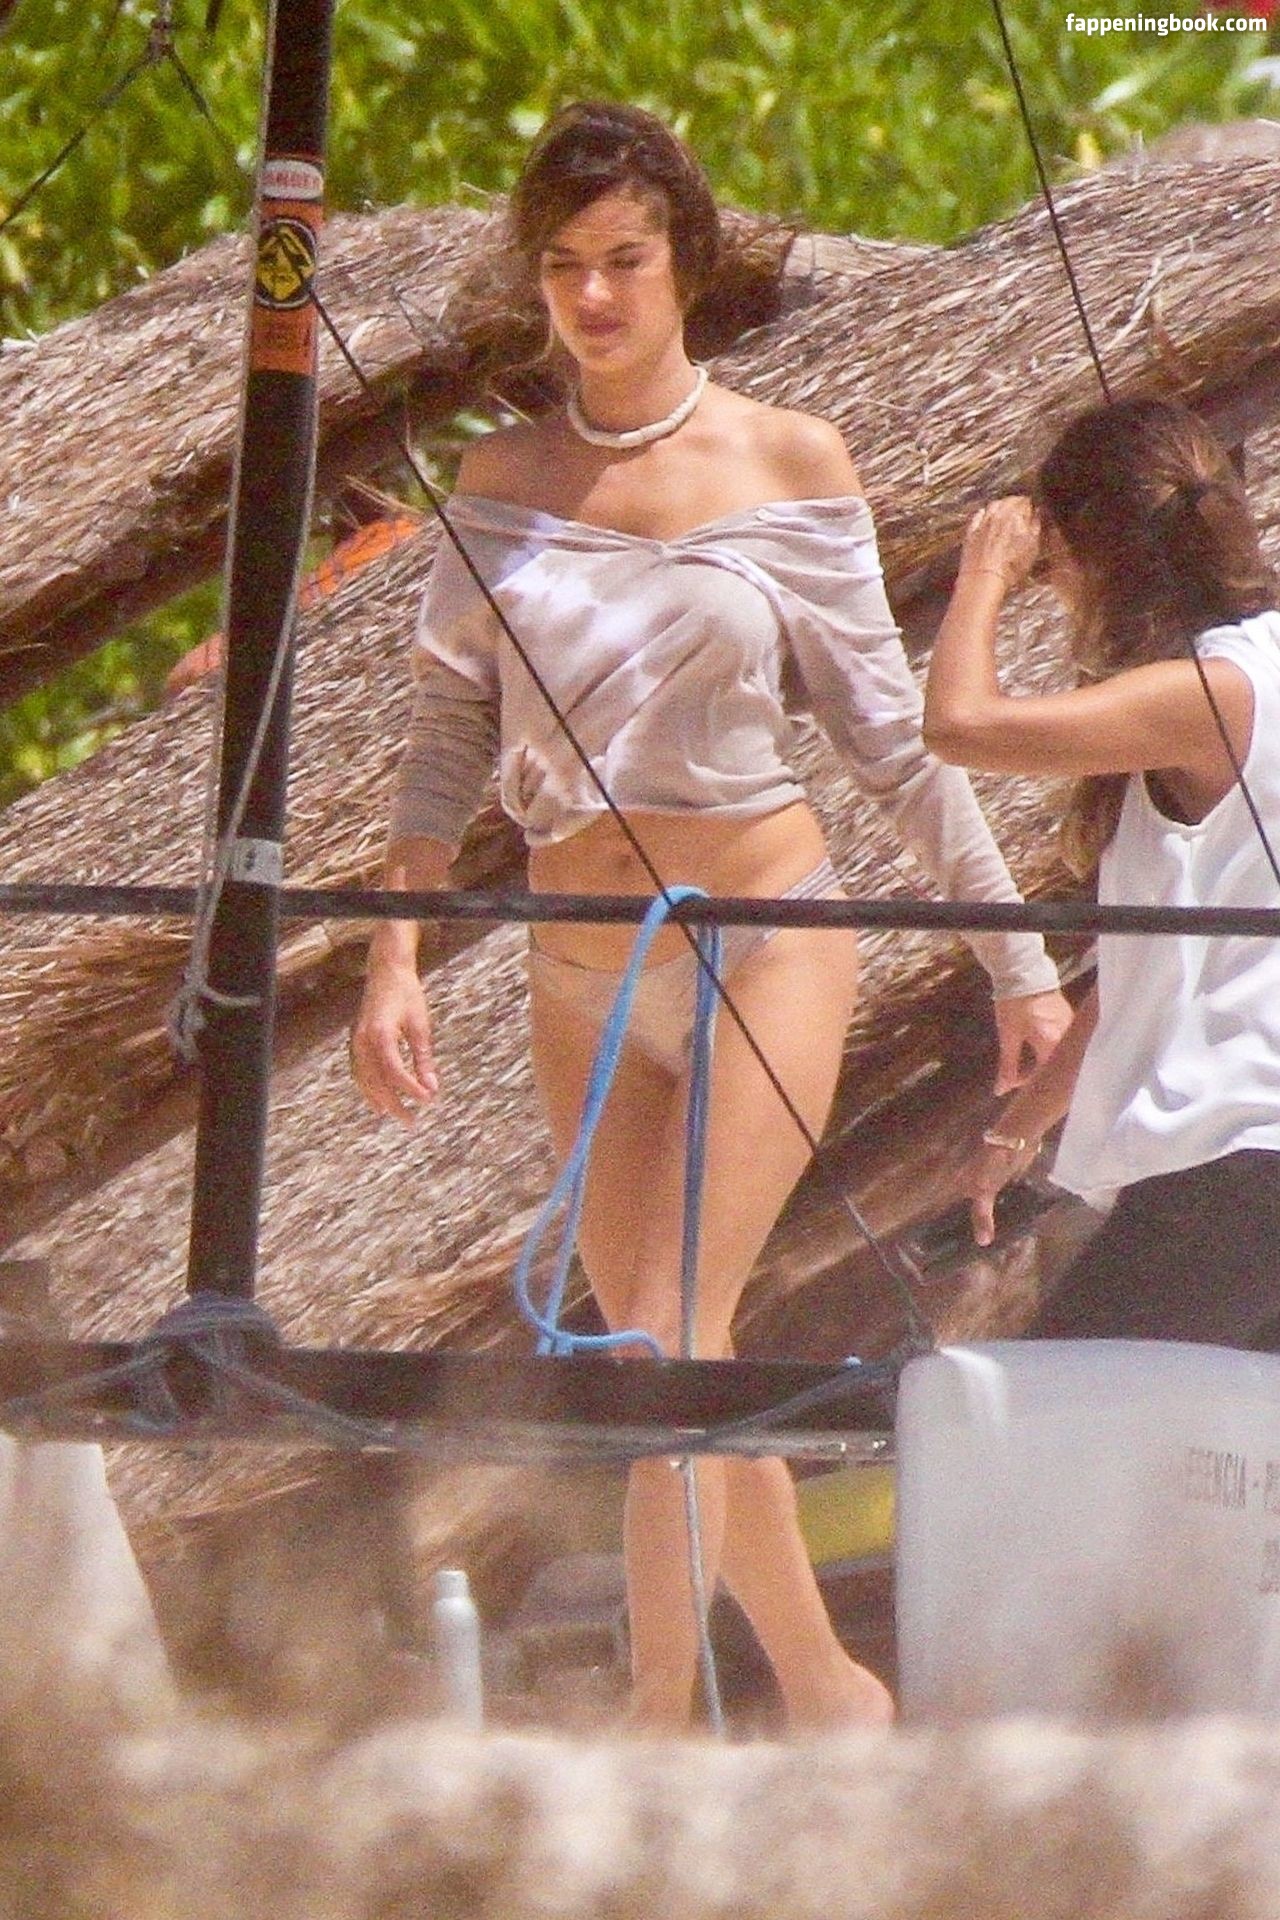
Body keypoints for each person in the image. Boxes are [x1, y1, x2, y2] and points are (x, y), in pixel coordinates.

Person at [350, 100, 1068, 1732]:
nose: (595, 296)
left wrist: (1017, 967)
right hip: (577, 966)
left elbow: (895, 746)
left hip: (762, 929)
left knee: (676, 1330)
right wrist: (394, 955)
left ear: (685, 262)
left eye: (625, 260)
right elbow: (444, 743)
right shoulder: (501, 482)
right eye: (564, 267)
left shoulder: (786, 463)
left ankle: (660, 1711)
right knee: (649, 1364)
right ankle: (826, 1690)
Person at [923, 397, 1280, 1347]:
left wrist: (984, 573)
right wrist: (1020, 1127)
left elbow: (959, 725)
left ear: (1095, 557)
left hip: (1242, 1150)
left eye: (1054, 572)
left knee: (1063, 1416)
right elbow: (1152, 962)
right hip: (1247, 1161)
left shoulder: (1209, 695)